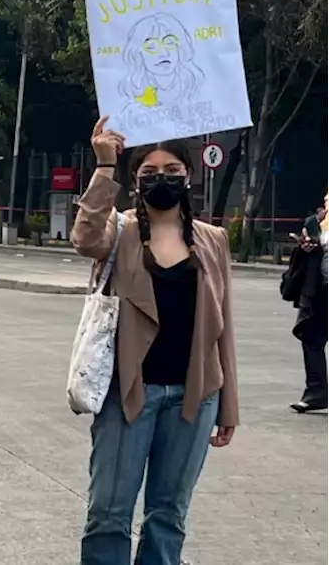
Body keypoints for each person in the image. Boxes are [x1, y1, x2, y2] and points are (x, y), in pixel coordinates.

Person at [72, 117, 238, 565]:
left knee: (169, 515)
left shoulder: (213, 241)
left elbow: (223, 327)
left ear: (188, 177)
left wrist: (228, 406)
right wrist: (105, 165)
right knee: (108, 513)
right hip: (128, 394)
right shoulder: (121, 231)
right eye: (149, 173)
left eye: (171, 172)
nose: (161, 180)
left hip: (194, 398)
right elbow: (85, 237)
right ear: (135, 180)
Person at [290, 192, 329, 413]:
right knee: (311, 340)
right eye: (325, 200)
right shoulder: (315, 224)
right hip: (318, 291)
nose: (326, 204)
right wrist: (305, 247)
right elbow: (304, 257)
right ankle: (316, 394)